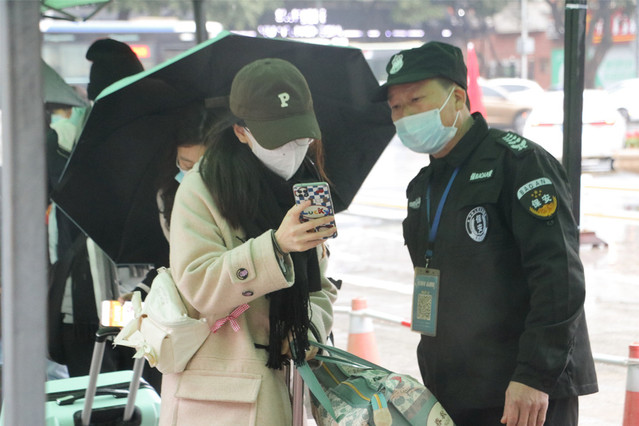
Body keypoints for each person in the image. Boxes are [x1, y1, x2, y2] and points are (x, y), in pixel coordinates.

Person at [378, 41, 598, 425]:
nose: (405, 115)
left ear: (457, 98)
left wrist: (534, 375)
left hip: (523, 392)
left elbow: (558, 276)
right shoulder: (423, 187)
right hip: (457, 390)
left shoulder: (519, 163)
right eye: (396, 107)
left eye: (415, 100)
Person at [160, 58, 338, 425]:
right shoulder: (203, 188)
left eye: (301, 137)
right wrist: (276, 246)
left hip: (286, 388)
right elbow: (199, 286)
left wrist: (308, 328)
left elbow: (320, 286)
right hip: (219, 395)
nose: (292, 149)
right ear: (242, 132)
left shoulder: (307, 186)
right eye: (278, 139)